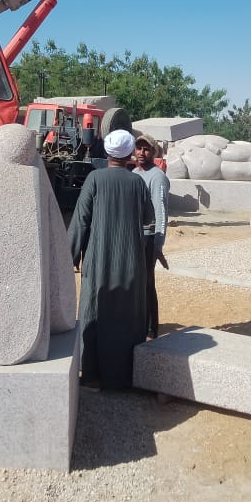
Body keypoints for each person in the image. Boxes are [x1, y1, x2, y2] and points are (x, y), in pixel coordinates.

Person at [68, 129, 154, 390]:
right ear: (129, 154)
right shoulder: (137, 183)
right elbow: (148, 219)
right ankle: (125, 376)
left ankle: (92, 376)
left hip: (98, 260)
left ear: (107, 152)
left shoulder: (94, 178)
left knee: (94, 312)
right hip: (130, 261)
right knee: (128, 316)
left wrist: (71, 255)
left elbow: (81, 220)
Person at [133, 133, 169, 339]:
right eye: (139, 148)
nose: (141, 152)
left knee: (146, 284)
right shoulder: (135, 173)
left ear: (154, 152)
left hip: (148, 239)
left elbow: (161, 212)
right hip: (135, 237)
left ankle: (150, 329)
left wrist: (157, 245)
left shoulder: (157, 177)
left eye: (146, 149)